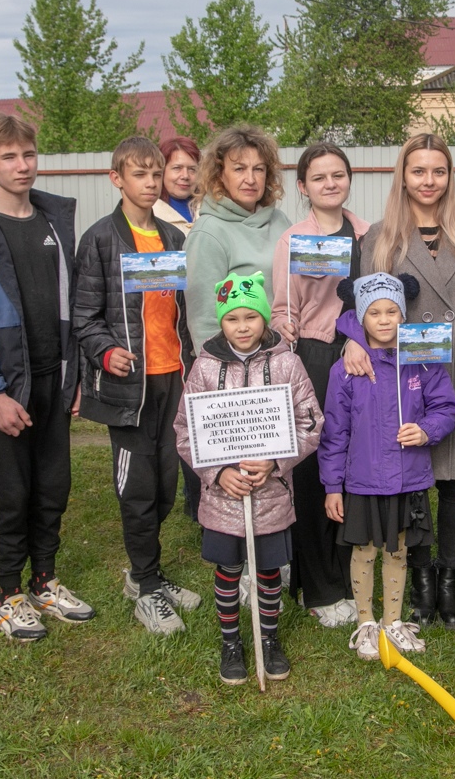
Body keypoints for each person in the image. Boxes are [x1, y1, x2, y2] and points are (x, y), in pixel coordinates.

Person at [341, 133, 455, 631]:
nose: (428, 180)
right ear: (402, 175)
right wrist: (352, 339)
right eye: (418, 171)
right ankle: (420, 577)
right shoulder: (380, 237)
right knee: (411, 480)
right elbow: (358, 307)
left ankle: (450, 577)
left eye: (437, 171)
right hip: (401, 377)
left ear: (449, 176)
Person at [0, 113, 93, 642]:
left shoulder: (54, 219)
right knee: (12, 492)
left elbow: (71, 306)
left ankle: (45, 582)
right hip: (5, 387)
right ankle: (9, 596)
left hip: (54, 379)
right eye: (8, 157)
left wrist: (75, 374)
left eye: (28, 154)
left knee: (53, 486)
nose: (21, 165)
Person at [73, 136, 201, 635]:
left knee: (167, 485)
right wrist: (106, 351)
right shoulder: (102, 239)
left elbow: (181, 313)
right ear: (116, 179)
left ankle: (147, 574)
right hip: (130, 390)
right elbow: (84, 317)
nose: (150, 183)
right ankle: (146, 586)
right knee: (139, 489)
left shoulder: (172, 240)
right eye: (140, 174)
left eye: (156, 174)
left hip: (172, 380)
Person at [174, 272, 323, 685]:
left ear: (265, 319)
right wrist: (216, 472)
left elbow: (310, 422)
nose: (242, 326)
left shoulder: (287, 364)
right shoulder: (204, 369)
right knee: (227, 567)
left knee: (268, 570)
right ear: (221, 322)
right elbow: (185, 430)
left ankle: (269, 638)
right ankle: (230, 641)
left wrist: (276, 463)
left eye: (251, 317)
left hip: (270, 493)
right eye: (232, 318)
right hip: (223, 498)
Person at [319, 273, 455, 659]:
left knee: (398, 550)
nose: (384, 320)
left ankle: (392, 621)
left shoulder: (422, 362)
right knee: (364, 550)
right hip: (362, 480)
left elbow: (446, 408)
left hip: (408, 478)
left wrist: (427, 430)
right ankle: (365, 621)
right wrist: (333, 485)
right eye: (375, 313)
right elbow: (335, 431)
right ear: (362, 318)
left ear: (403, 314)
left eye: (392, 311)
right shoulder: (345, 369)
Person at [270, 143, 371, 627]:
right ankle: (318, 584)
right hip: (311, 354)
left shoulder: (368, 235)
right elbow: (282, 308)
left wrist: (361, 339)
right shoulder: (293, 239)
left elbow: (377, 303)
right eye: (320, 177)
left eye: (338, 175)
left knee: (351, 465)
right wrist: (283, 324)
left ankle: (350, 571)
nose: (330, 183)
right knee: (311, 469)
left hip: (357, 355)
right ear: (303, 186)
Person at [183, 126, 291, 346]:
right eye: (239, 169)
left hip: (286, 356)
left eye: (258, 169)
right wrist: (221, 370)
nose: (250, 179)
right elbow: (204, 320)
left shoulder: (281, 222)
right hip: (237, 362)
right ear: (220, 174)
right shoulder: (208, 233)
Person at [152, 136, 201, 234]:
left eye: (192, 169)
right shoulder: (149, 215)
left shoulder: (212, 210)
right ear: (161, 171)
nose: (185, 176)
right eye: (177, 168)